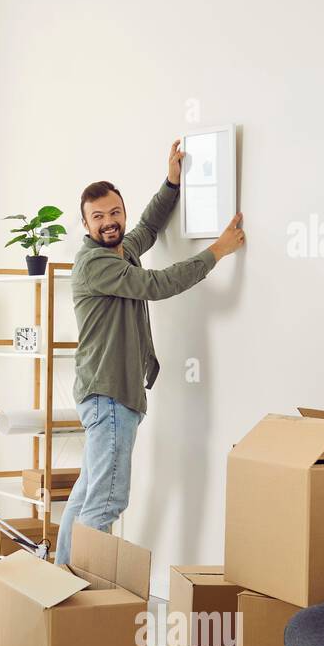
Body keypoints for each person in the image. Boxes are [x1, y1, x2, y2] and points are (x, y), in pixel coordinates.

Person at [54, 140, 245, 566]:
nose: (109, 222)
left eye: (114, 213)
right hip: (110, 396)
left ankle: (61, 585)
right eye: (98, 217)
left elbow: (148, 228)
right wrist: (218, 250)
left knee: (87, 493)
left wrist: (172, 181)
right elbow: (158, 285)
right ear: (84, 223)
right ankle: (88, 601)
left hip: (104, 394)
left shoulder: (120, 249)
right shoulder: (95, 264)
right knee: (106, 502)